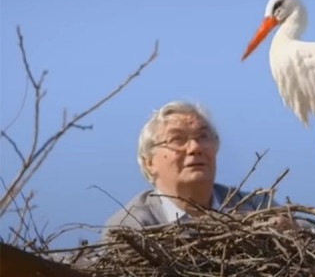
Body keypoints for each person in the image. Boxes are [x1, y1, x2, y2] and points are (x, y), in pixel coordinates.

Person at [101, 100, 288, 238]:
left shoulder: (256, 207)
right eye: (177, 139)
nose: (195, 148)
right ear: (149, 162)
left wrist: (292, 231)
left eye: (203, 137)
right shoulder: (132, 226)